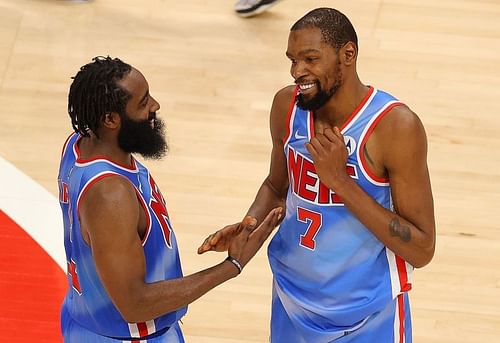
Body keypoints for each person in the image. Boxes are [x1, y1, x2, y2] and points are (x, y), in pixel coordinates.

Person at [198, 7, 436, 342]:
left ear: (347, 55)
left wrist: (339, 181)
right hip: (292, 301)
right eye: (292, 60)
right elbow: (275, 186)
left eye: (310, 59)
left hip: (367, 315)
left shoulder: (395, 127)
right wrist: (250, 224)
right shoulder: (287, 105)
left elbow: (422, 248)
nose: (298, 71)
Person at [57, 56, 282, 342]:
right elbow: (134, 304)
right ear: (111, 119)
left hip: (89, 321)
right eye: (143, 102)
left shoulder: (77, 146)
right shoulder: (111, 194)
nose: (155, 106)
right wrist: (231, 265)